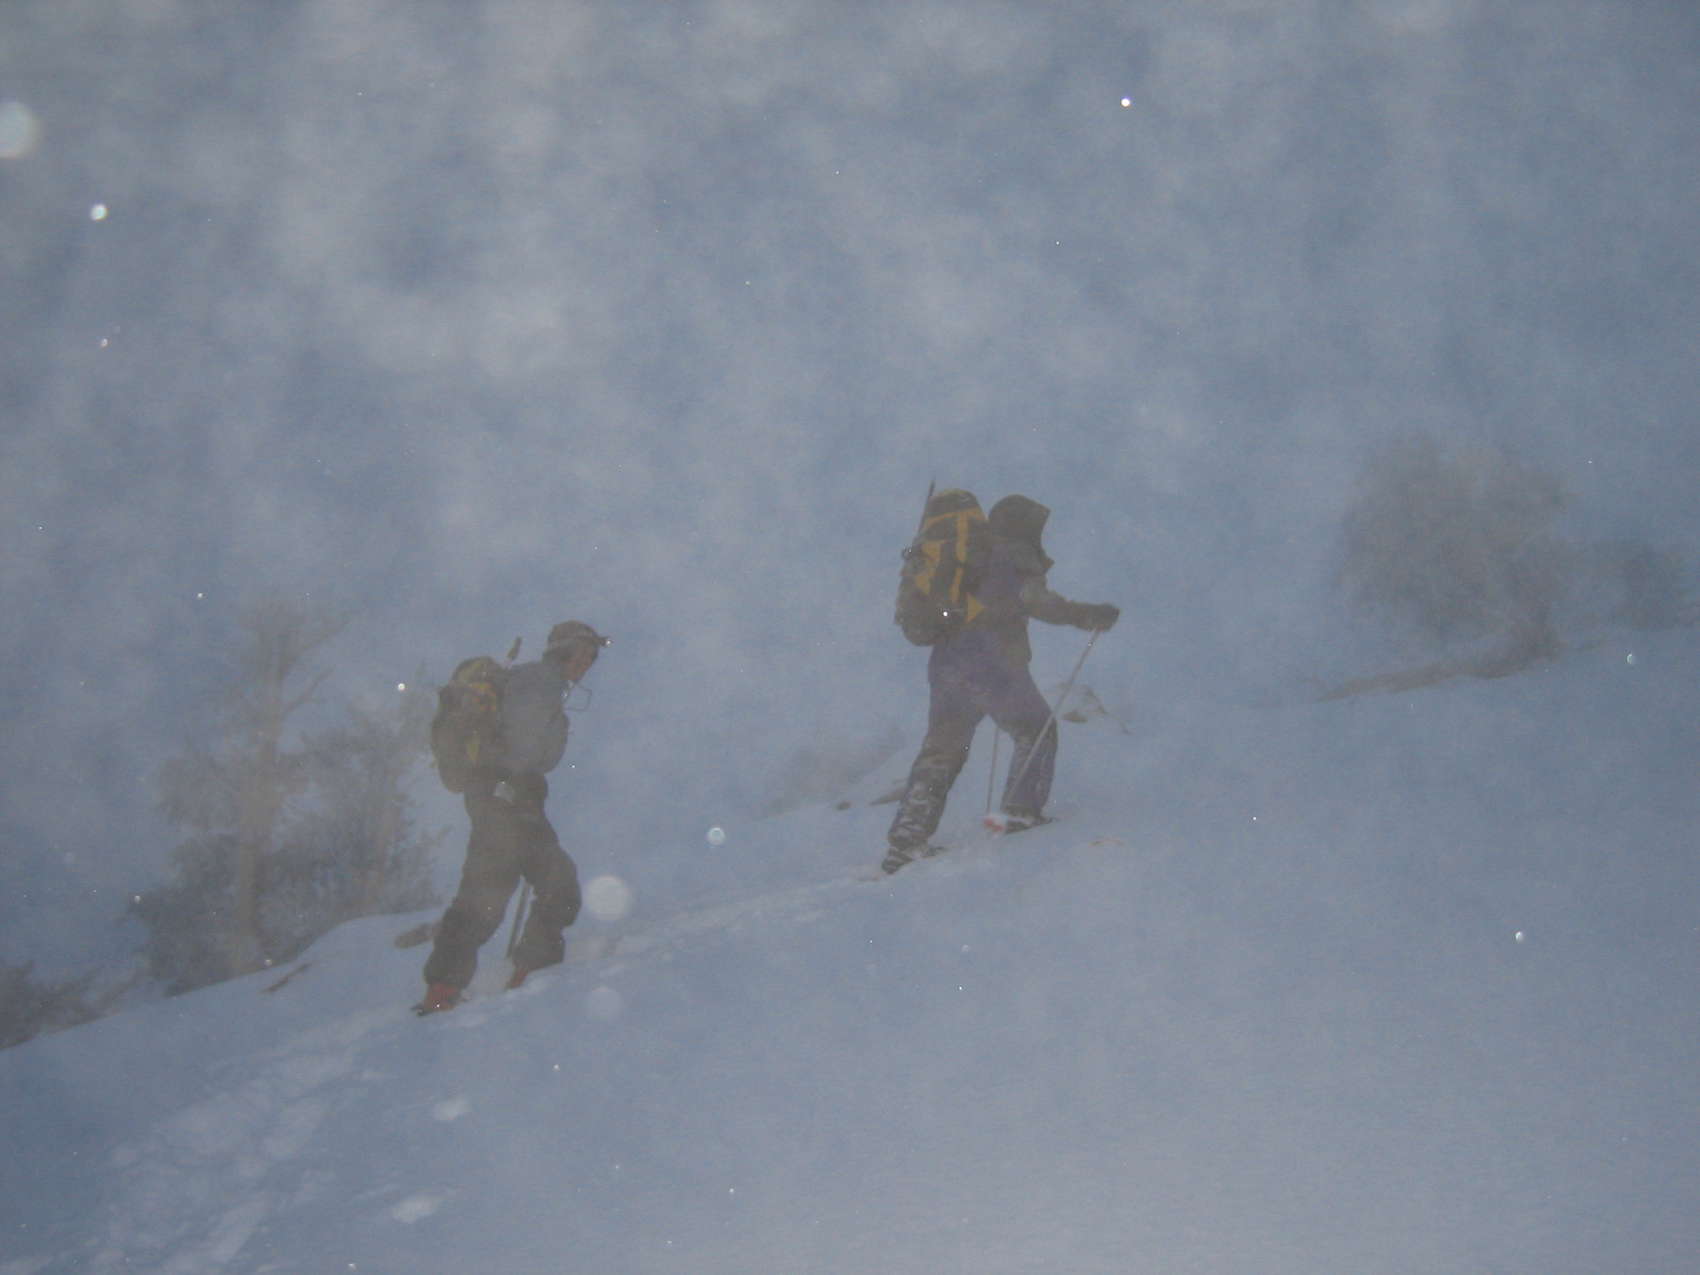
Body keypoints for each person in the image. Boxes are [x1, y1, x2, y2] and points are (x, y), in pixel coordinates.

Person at [882, 494, 1118, 875]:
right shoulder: (1012, 554)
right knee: (1036, 730)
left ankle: (906, 843)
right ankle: (1020, 813)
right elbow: (1037, 601)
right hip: (992, 664)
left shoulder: (967, 559)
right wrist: (1088, 615)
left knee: (941, 753)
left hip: (946, 666)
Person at [417, 621, 609, 1014]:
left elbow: (541, 756)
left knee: (489, 892)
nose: (585, 664)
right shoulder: (539, 682)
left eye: (590, 658)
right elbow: (527, 751)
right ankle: (527, 977)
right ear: (561, 651)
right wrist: (513, 785)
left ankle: (446, 988)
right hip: (508, 796)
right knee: (551, 885)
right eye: (581, 655)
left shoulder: (541, 686)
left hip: (500, 796)